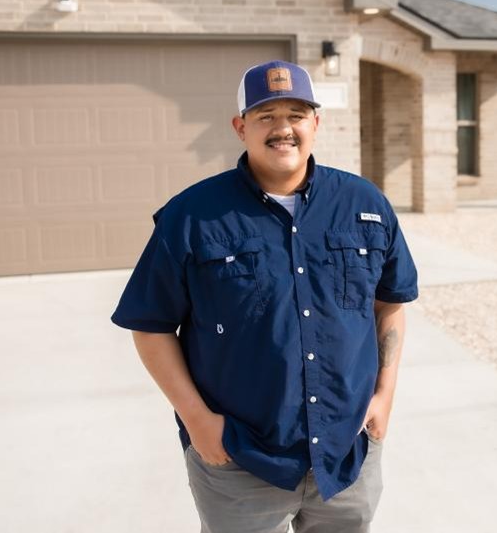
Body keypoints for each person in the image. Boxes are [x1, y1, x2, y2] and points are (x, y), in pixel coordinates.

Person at [110, 59, 418, 533]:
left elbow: (388, 303)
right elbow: (149, 325)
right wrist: (198, 422)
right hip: (238, 459)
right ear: (241, 127)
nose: (284, 129)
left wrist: (385, 395)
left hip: (346, 453)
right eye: (266, 116)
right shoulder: (192, 216)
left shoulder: (365, 205)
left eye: (296, 114)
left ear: (316, 123)